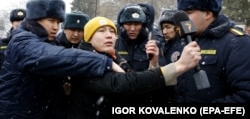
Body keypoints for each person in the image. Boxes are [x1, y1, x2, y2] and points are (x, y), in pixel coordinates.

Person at [0, 0, 125, 118]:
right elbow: (50, 56)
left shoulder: (50, 42)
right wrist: (104, 62)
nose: (56, 27)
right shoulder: (22, 41)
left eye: (59, 22)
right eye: (51, 21)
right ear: (35, 19)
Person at [64, 16, 201, 118]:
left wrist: (153, 64)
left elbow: (136, 89)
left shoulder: (114, 57)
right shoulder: (82, 60)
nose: (109, 35)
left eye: (112, 32)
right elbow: (121, 84)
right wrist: (178, 66)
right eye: (101, 31)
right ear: (89, 38)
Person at [176, 0, 250, 103]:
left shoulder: (237, 43)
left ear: (208, 14)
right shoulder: (186, 40)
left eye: (188, 12)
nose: (183, 19)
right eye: (181, 13)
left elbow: (245, 95)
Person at [115, 4, 160, 71]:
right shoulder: (114, 43)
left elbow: (160, 76)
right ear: (121, 25)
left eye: (137, 24)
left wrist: (154, 63)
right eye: (128, 24)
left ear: (143, 26)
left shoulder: (151, 44)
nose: (132, 29)